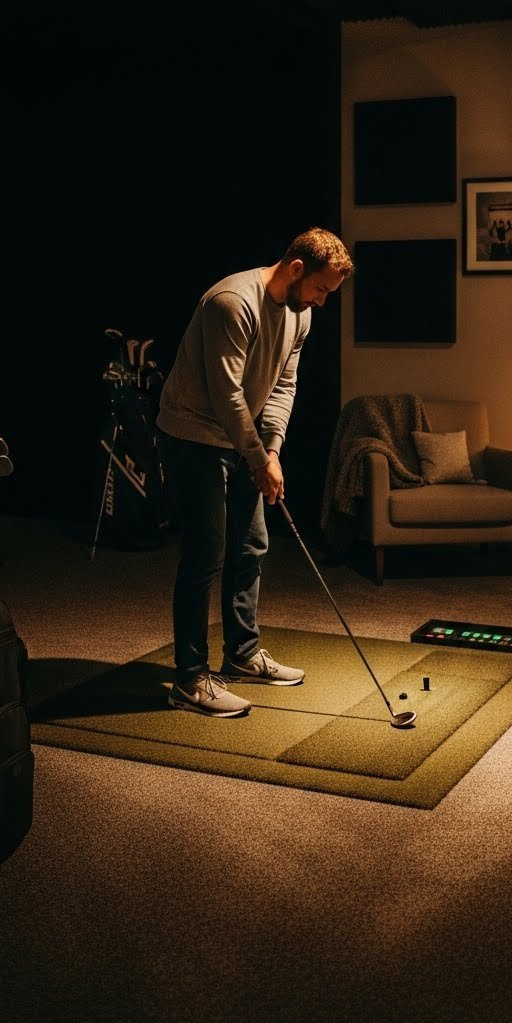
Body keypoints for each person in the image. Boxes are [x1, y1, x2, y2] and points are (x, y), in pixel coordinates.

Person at [157, 228, 354, 718]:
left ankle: (242, 655)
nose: (323, 302)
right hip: (193, 433)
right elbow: (226, 396)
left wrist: (272, 449)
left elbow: (283, 386)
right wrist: (257, 457)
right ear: (295, 269)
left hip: (243, 439)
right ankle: (190, 679)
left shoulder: (299, 315)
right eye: (321, 289)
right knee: (206, 554)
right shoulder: (232, 302)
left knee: (251, 544)